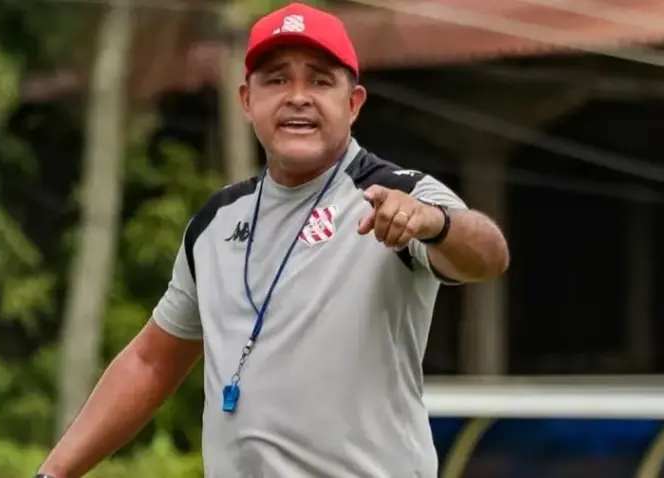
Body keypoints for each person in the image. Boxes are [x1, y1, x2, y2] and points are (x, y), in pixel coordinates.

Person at [35, 2, 509, 477]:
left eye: (320, 80)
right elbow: (149, 362)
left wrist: (436, 223)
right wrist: (51, 474)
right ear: (246, 99)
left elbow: (489, 255)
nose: (297, 97)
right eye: (277, 79)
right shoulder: (215, 222)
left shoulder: (397, 194)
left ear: (354, 103)